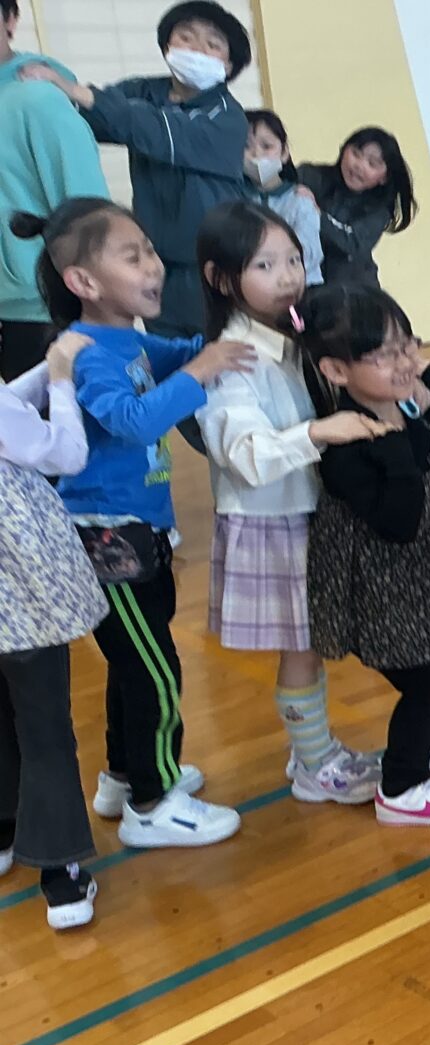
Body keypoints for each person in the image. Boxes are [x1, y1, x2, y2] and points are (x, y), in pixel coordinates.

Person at [9, 197, 252, 848]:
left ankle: (123, 776)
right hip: (107, 536)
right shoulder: (85, 352)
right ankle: (153, 800)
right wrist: (201, 371)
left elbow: (178, 355)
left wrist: (225, 340)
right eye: (133, 254)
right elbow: (135, 420)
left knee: (132, 660)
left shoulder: (123, 340)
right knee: (154, 668)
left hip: (137, 531)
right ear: (83, 283)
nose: (152, 266)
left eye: (151, 251)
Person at [196, 202, 385, 805]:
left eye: (294, 260)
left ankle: (315, 751)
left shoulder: (291, 336)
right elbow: (245, 455)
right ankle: (313, 764)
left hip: (303, 510)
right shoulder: (233, 359)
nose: (288, 276)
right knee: (300, 644)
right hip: (270, 519)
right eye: (266, 264)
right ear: (222, 279)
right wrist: (319, 435)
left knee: (308, 641)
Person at [297, 282, 430, 827]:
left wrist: (429, 375)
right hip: (378, 592)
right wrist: (394, 449)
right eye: (385, 354)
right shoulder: (348, 445)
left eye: (407, 345)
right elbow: (399, 522)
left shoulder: (412, 407)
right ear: (338, 372)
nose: (403, 360)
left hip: (424, 578)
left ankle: (427, 750)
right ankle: (403, 786)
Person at [23, 1, 252, 337]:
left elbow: (156, 130)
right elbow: (95, 119)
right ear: (167, 46)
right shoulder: (144, 91)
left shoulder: (228, 118)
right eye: (185, 38)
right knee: (166, 349)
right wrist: (55, 94)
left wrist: (79, 92)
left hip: (210, 262)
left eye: (212, 45)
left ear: (229, 64)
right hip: (156, 259)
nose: (196, 50)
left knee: (218, 351)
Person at [0, 331, 106, 928]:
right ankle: (60, 874)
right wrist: (62, 379)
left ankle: (4, 830)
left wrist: (42, 371)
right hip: (19, 587)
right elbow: (65, 453)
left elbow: (8, 412)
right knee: (43, 723)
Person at [0, 0, 108, 380]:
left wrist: (100, 303)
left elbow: (89, 212)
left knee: (83, 433)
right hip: (8, 318)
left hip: (47, 311)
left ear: (10, 19)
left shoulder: (39, 99)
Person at [298, 129, 417, 288]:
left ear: (384, 177)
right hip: (303, 283)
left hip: (352, 292)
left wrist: (316, 214)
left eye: (372, 164)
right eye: (355, 153)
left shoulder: (379, 211)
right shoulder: (310, 176)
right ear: (343, 149)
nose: (359, 165)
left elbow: (352, 244)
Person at [243, 110, 323, 285]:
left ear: (284, 152)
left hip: (301, 290)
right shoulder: (235, 198)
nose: (256, 154)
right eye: (246, 146)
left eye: (266, 146)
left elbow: (309, 253)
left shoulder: (299, 200)